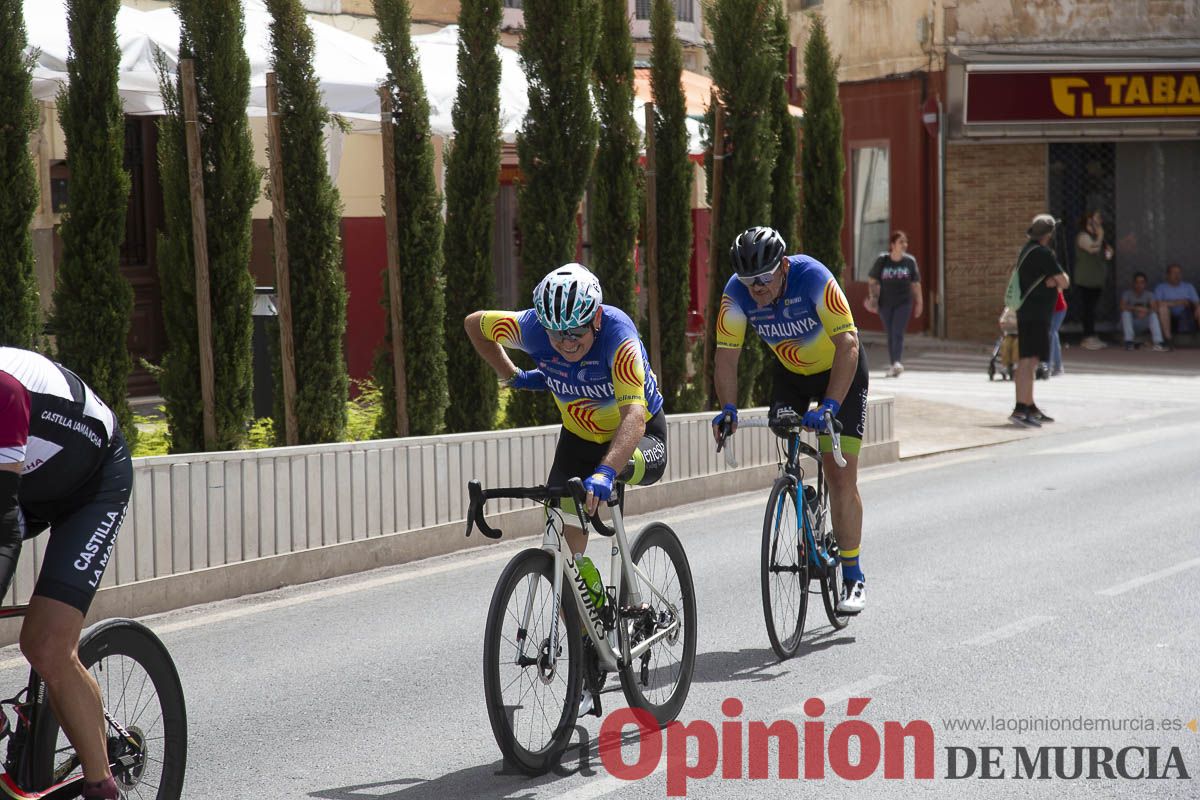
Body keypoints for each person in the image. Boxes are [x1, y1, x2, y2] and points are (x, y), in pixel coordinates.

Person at [465, 264, 667, 712]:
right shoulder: (533, 327)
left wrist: (607, 473)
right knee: (563, 548)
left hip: (638, 438)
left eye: (575, 333)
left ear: (595, 317)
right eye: (555, 336)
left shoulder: (619, 339)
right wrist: (511, 374)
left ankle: (629, 596)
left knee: (609, 482)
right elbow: (475, 325)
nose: (565, 343)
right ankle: (583, 647)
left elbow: (634, 418)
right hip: (578, 439)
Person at [710, 226, 869, 614]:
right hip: (792, 375)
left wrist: (830, 404)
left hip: (840, 372)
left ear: (783, 266)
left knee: (839, 475)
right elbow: (726, 357)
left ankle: (853, 576)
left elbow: (848, 344)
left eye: (764, 278)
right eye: (749, 281)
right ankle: (804, 500)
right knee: (787, 433)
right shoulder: (735, 295)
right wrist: (728, 407)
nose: (757, 288)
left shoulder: (813, 278)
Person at [0, 347, 131, 800]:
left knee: (46, 643)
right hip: (25, 482)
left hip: (92, 485)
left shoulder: (5, 392)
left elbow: (2, 534)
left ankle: (101, 784)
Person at [1011, 214, 1069, 427]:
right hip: (1037, 314)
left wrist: (1052, 280)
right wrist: (1054, 280)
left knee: (1027, 359)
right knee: (1030, 361)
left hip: (1026, 313)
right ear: (1048, 234)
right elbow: (1065, 281)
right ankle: (1021, 408)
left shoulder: (1026, 250)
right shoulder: (1043, 254)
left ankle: (1028, 405)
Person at [866, 230, 923, 377]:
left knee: (897, 331)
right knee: (891, 333)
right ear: (892, 245)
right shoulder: (883, 260)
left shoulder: (909, 262)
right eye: (901, 242)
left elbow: (916, 283)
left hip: (904, 302)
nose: (904, 245)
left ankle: (897, 361)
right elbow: (872, 280)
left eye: (905, 242)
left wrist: (919, 302)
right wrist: (873, 298)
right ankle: (893, 364)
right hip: (885, 303)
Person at [1073, 209, 1113, 350]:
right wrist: (1101, 235)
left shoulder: (1096, 236)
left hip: (1097, 278)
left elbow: (1103, 253)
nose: (1100, 221)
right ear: (1089, 220)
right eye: (1097, 218)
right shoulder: (1083, 236)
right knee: (1088, 308)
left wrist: (1108, 252)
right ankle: (1087, 336)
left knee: (1093, 308)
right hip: (1086, 278)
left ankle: (1092, 334)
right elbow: (1092, 249)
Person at [1154, 263, 1200, 349]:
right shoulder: (1161, 287)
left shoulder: (1188, 287)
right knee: (1162, 308)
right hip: (1168, 319)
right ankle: (1168, 340)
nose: (1177, 275)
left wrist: (1197, 307)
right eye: (1174, 273)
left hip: (1186, 318)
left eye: (1179, 273)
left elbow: (1197, 302)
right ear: (1167, 275)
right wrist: (1178, 302)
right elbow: (1157, 304)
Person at [1120, 271, 1167, 351]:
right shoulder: (1127, 293)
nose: (1139, 285)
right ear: (1133, 283)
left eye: (1142, 282)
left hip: (1143, 322)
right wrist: (1137, 309)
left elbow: (1155, 308)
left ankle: (1158, 343)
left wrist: (1146, 311)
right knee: (1125, 313)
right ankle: (1129, 342)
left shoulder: (1149, 294)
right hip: (1130, 323)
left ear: (1145, 284)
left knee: (1153, 315)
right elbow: (1122, 307)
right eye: (1137, 282)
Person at [1048, 287, 1068, 376]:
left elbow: (1060, 288)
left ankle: (1049, 366)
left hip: (1059, 309)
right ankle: (1057, 366)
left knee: (1051, 333)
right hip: (1048, 310)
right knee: (1053, 334)